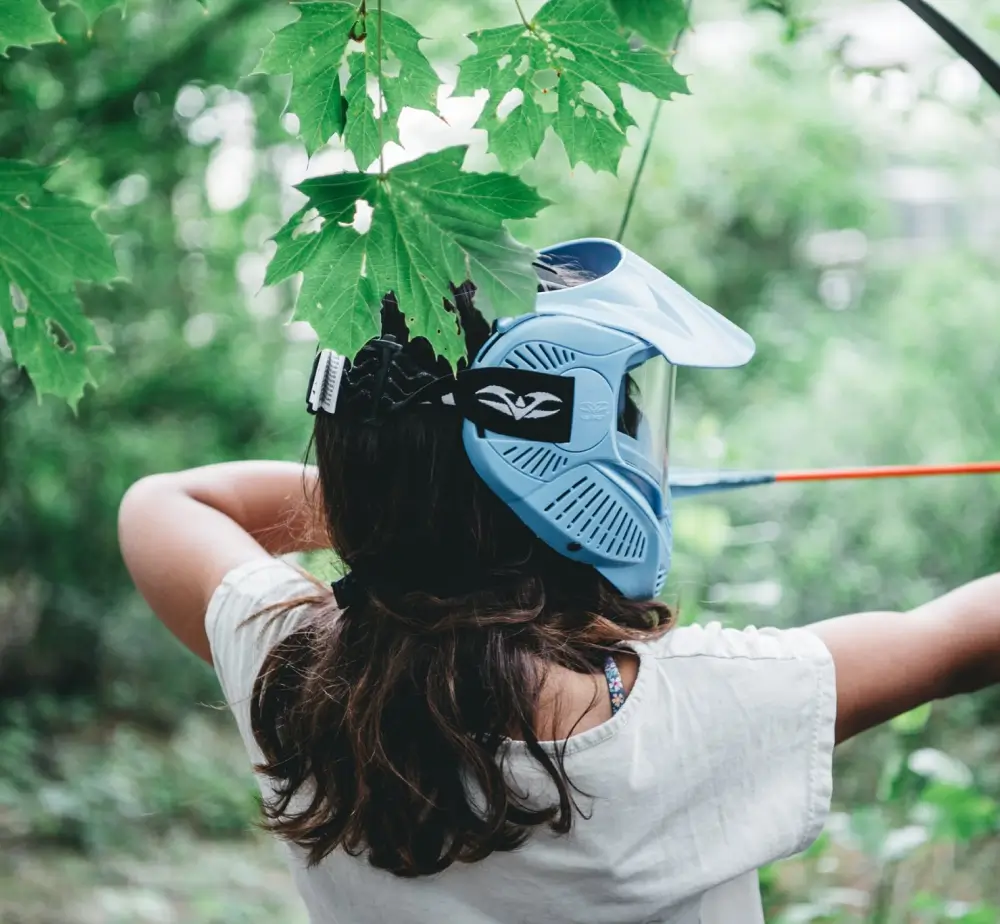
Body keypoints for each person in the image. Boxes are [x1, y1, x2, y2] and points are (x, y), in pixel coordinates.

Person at [119, 239, 1000, 924]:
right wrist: (451, 486)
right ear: (558, 469)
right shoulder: (689, 713)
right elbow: (956, 642)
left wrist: (407, 499)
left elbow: (166, 501)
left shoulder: (292, 666)